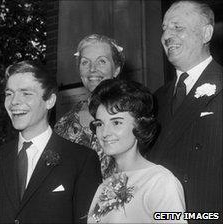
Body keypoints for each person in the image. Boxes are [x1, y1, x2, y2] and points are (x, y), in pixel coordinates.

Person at [0, 60, 102, 224]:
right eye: (9, 94)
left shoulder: (82, 160)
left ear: (50, 101)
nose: (13, 102)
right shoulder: (2, 156)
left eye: (26, 93)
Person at [148, 0, 222, 222]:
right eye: (164, 29)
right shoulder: (155, 98)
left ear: (206, 33)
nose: (166, 36)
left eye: (177, 27)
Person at [87, 79, 187, 223]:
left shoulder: (159, 182)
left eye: (116, 122)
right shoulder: (105, 186)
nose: (105, 132)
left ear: (139, 125)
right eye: (100, 124)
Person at [54, 34, 125, 179]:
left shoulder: (130, 114)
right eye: (85, 62)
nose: (92, 69)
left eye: (102, 62)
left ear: (116, 69)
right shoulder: (65, 122)